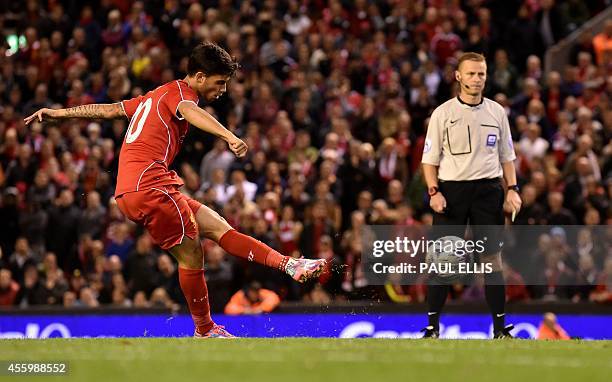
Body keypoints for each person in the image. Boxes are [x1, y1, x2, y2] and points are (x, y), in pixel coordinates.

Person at [24, 42, 326, 338]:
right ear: (198, 76)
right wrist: (228, 136)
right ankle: (205, 330)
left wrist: (60, 113)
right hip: (150, 186)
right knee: (192, 255)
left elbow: (108, 110)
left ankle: (290, 265)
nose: (222, 90)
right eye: (219, 83)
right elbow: (190, 111)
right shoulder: (181, 94)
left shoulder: (153, 96)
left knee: (218, 227)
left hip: (138, 188)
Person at [420, 52, 522, 339]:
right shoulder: (443, 113)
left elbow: (507, 157)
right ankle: (432, 328)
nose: (477, 79)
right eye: (471, 74)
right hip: (451, 190)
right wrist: (434, 192)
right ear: (458, 76)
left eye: (481, 74)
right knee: (443, 260)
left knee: (492, 260)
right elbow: (429, 160)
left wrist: (512, 190)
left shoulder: (497, 112)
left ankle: (500, 329)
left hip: (488, 190)